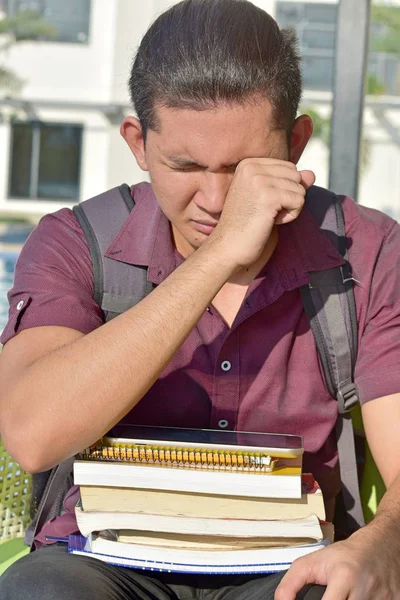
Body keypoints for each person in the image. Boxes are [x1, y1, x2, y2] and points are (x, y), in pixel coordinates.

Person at [1, 0, 400, 598]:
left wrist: (381, 544)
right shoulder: (76, 242)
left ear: (295, 144)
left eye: (243, 167)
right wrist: (218, 259)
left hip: (287, 568)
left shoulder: (367, 251)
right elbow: (33, 434)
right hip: (97, 564)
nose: (215, 200)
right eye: (183, 164)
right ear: (138, 144)